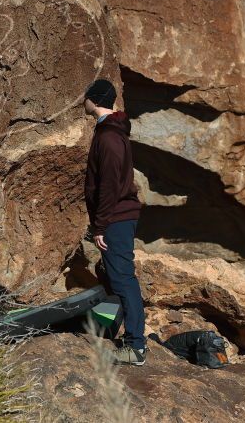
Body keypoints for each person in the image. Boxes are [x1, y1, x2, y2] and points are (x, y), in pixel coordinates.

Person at [83, 79, 146, 365]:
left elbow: (109, 185)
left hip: (117, 218)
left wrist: (100, 225)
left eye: (86, 97)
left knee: (123, 279)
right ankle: (127, 336)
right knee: (116, 276)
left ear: (94, 101)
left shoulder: (108, 137)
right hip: (119, 216)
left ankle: (135, 347)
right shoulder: (111, 131)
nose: (83, 101)